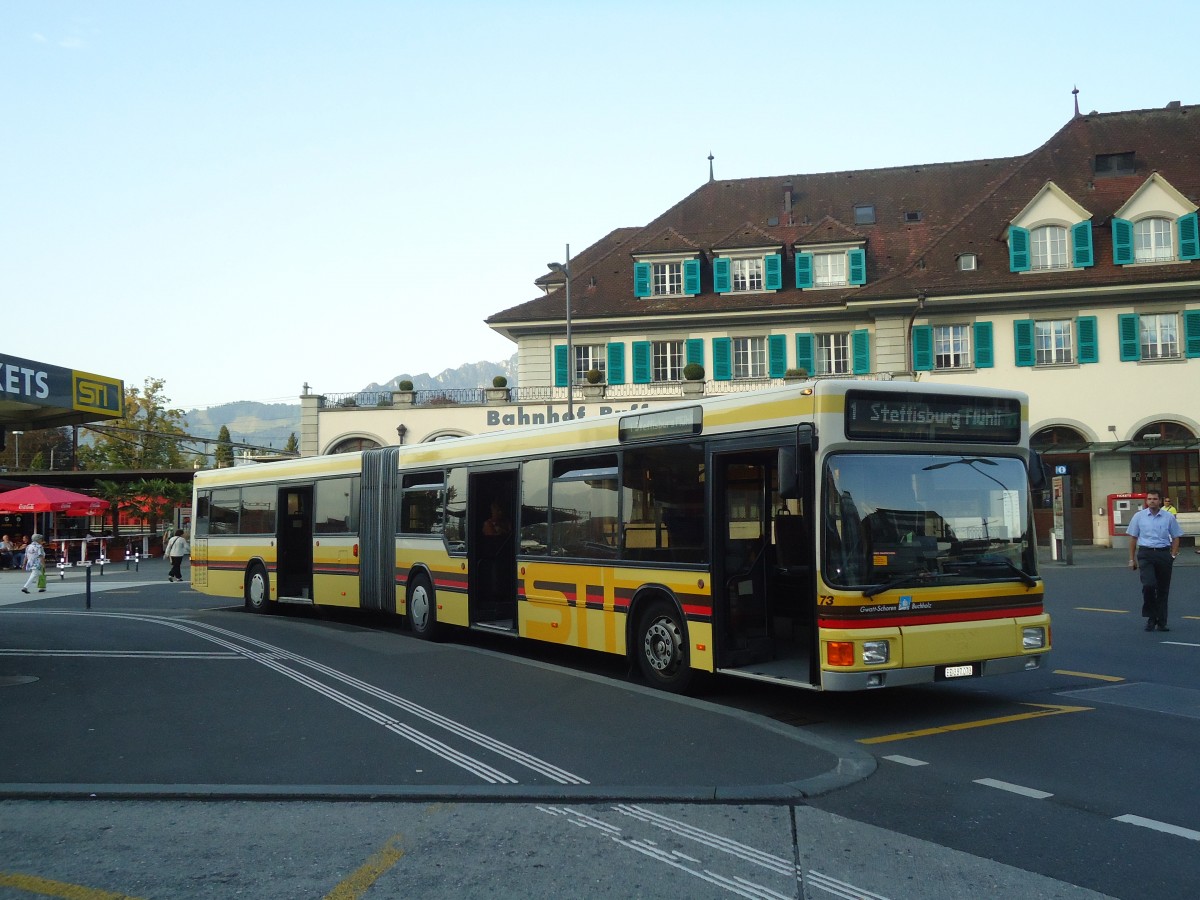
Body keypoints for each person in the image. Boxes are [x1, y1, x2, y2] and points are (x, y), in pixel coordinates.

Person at [1127, 490, 1183, 632]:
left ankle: (1161, 622)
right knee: (1149, 585)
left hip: (1163, 554)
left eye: (1155, 499)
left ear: (1160, 501)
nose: (1152, 501)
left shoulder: (1168, 517)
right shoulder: (1139, 516)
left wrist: (1173, 556)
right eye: (1150, 499)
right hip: (1145, 554)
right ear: (1146, 501)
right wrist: (1131, 559)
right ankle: (1151, 617)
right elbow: (1133, 538)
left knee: (1163, 589)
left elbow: (1176, 537)